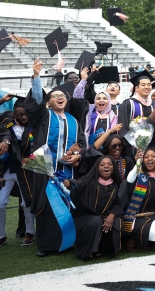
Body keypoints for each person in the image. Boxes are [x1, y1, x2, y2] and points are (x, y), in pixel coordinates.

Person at [25, 59, 87, 257]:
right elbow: (33, 104)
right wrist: (36, 77)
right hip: (46, 171)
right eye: (55, 96)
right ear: (48, 102)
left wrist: (77, 155)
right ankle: (46, 245)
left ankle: (66, 242)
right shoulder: (44, 116)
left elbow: (81, 143)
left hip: (67, 170)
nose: (60, 98)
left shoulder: (73, 121)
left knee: (67, 204)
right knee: (47, 205)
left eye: (62, 96)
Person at [65, 156, 124, 261]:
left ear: (113, 168)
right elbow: (73, 184)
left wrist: (111, 215)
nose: (106, 166)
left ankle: (101, 249)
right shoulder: (88, 181)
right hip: (83, 219)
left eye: (109, 164)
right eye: (102, 164)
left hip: (103, 217)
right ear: (97, 168)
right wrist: (61, 180)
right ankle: (85, 252)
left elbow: (118, 203)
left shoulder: (116, 185)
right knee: (97, 220)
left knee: (116, 221)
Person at [121, 147, 155, 251]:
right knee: (153, 228)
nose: (150, 159)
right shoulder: (138, 174)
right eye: (146, 157)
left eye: (153, 156)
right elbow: (129, 179)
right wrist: (138, 162)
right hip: (138, 216)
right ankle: (134, 239)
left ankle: (150, 239)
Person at [0, 96, 36, 247]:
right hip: (7, 170)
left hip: (26, 169)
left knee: (26, 202)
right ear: (13, 114)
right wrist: (1, 101)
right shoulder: (5, 123)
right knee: (0, 203)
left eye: (26, 114)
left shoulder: (35, 124)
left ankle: (29, 232)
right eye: (20, 114)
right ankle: (1, 235)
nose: (24, 117)